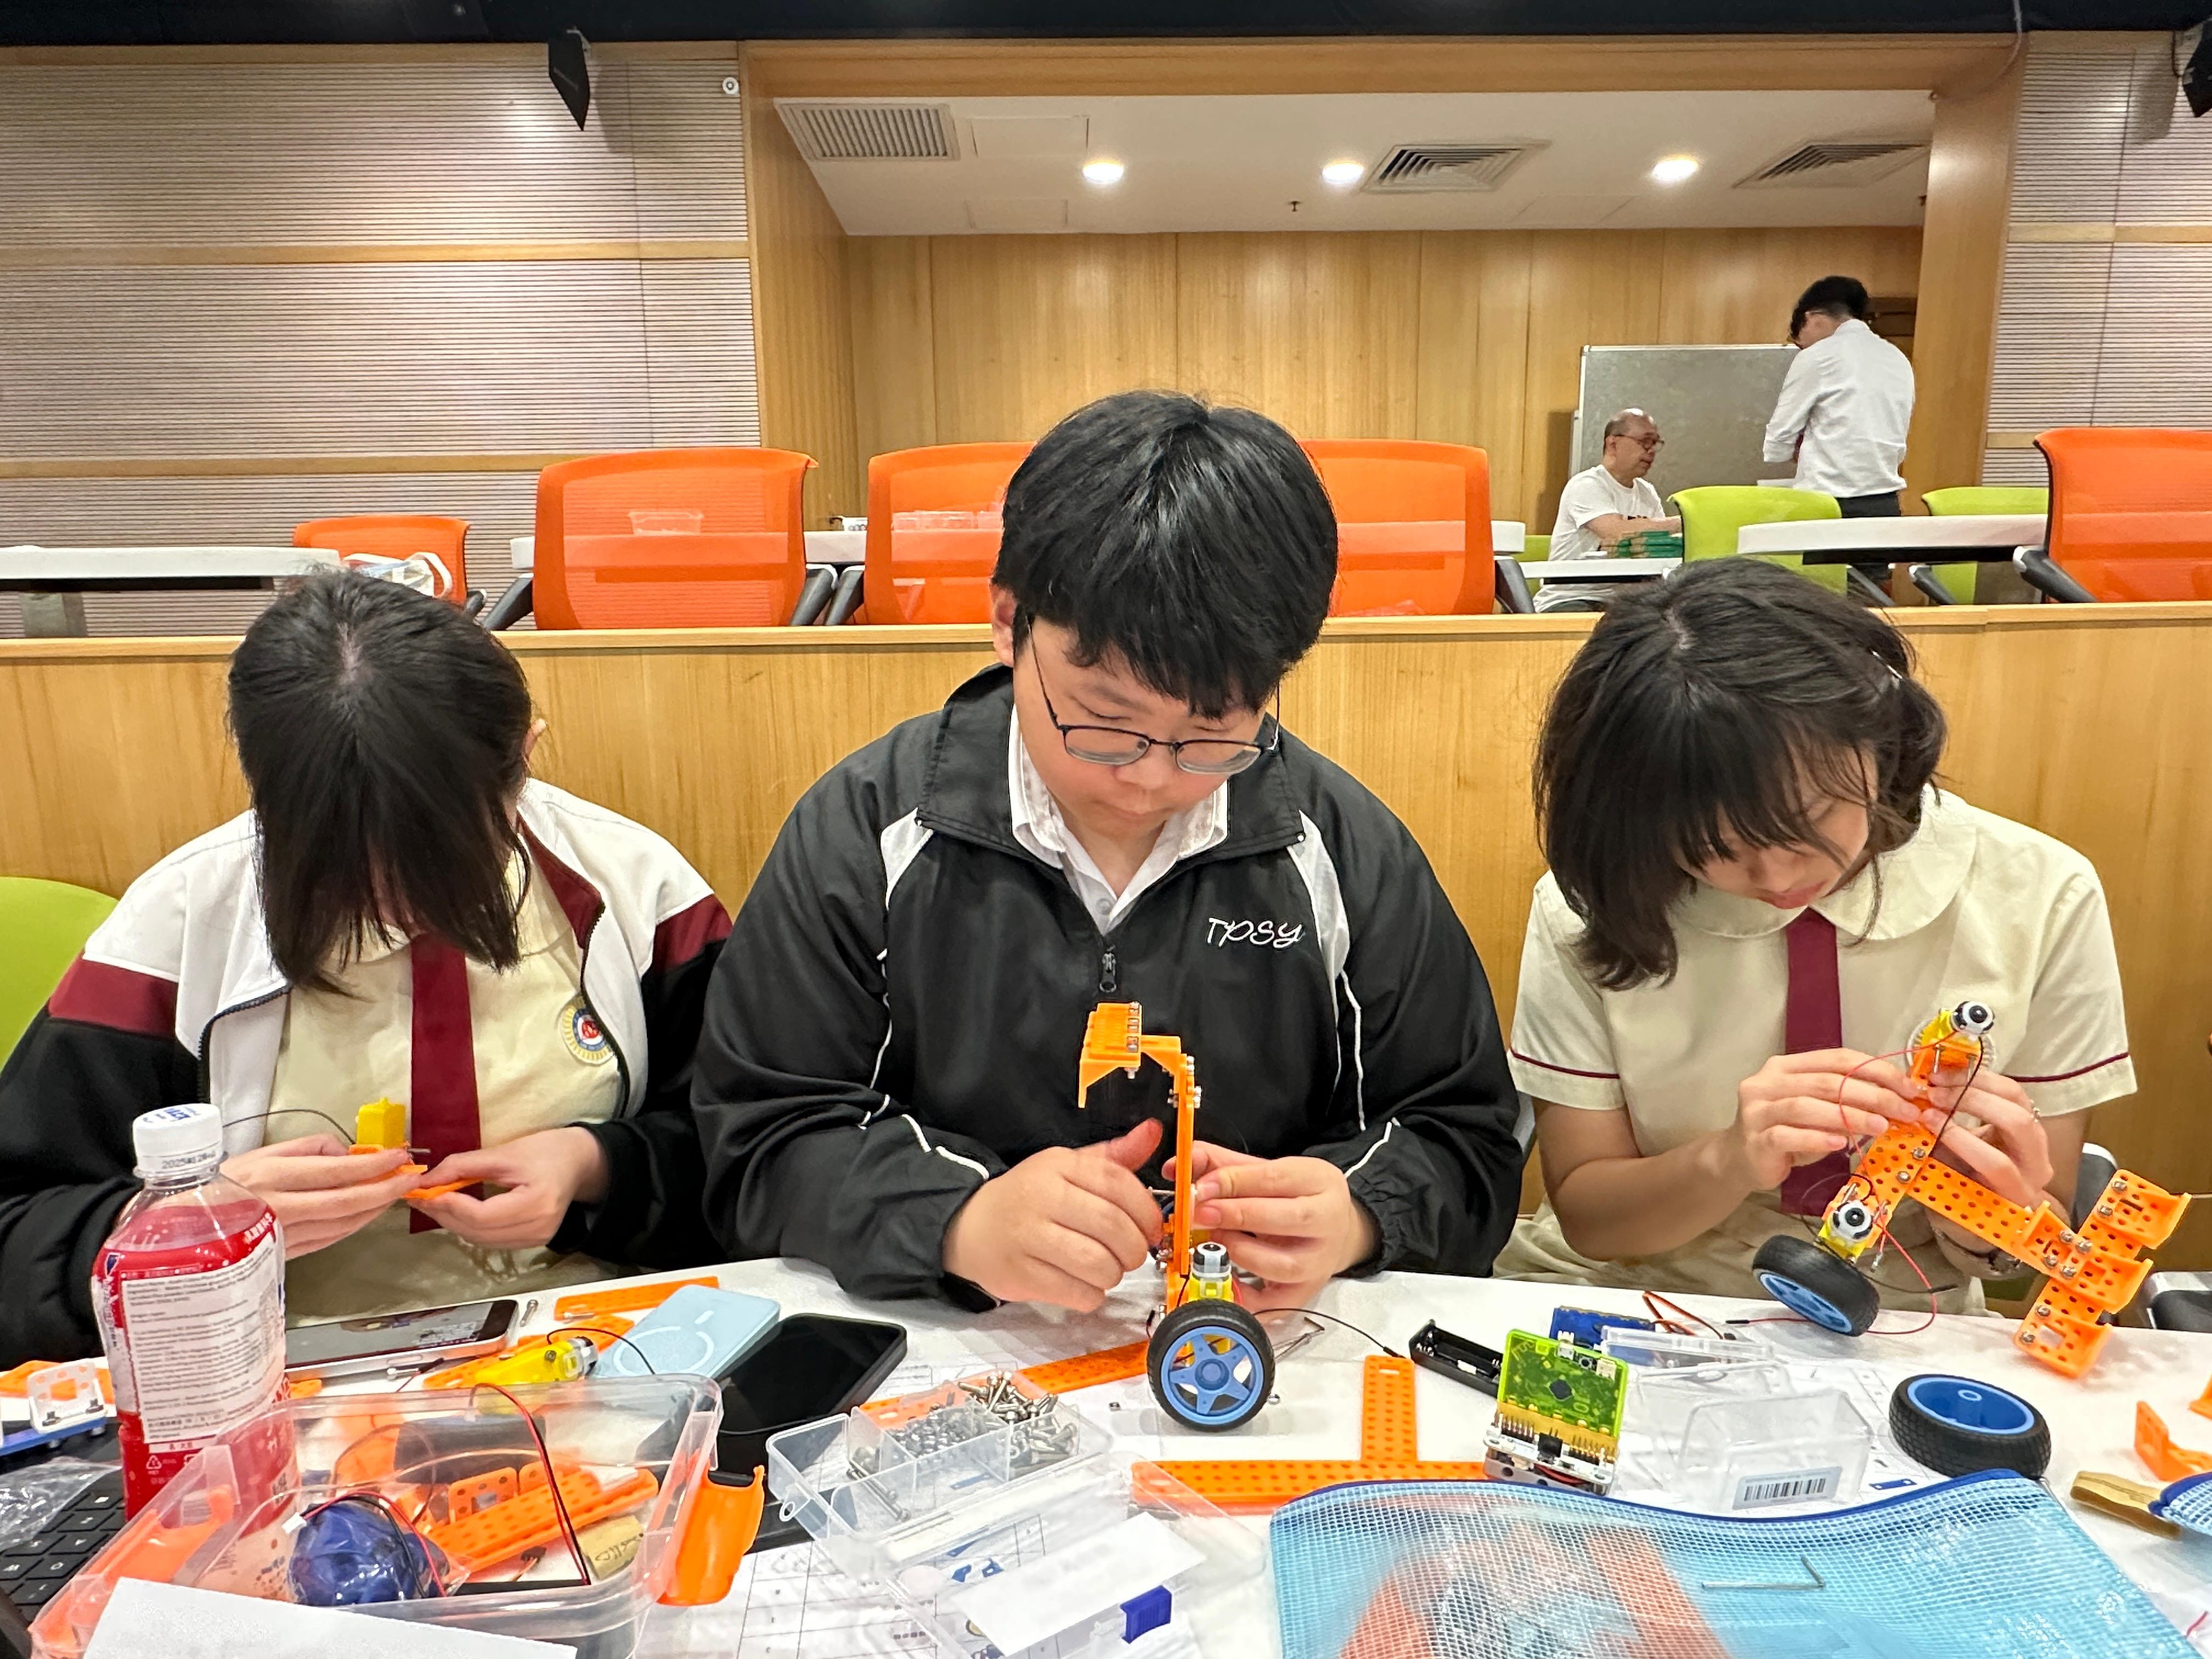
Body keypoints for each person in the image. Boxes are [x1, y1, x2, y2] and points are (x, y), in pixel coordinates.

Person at [692, 390, 1523, 1317]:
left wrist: (1360, 1213)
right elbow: (757, 1139)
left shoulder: (1337, 847)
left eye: (1212, 732)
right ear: (1007, 621)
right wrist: (956, 1219)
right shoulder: (868, 831)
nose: (1150, 777)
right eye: (1104, 722)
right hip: (959, 1345)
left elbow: (1469, 1140)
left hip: (1251, 1340)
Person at [0, 574, 729, 1365]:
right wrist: (188, 1225)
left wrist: (594, 1168)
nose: (398, 902)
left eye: (441, 857)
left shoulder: (637, 890)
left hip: (601, 1352)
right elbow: (18, 1231)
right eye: (339, 862)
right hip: (270, 1379)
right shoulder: (179, 926)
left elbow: (746, 1151)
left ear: (525, 756)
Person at [1497, 558, 2131, 1308]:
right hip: (1636, 1293)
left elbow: (2028, 1248)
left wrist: (1983, 1217)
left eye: (1809, 822)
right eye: (1712, 847)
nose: (1775, 875)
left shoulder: (2042, 893)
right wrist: (1728, 1159)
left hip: (1902, 1314)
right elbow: (1591, 1220)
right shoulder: (1589, 906)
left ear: (1880, 742)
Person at [1764, 274, 1917, 586]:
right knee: (1870, 596)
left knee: (1816, 597)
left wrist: (1790, 452)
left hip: (1828, 502)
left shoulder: (1819, 356)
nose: (1802, 346)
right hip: (1883, 502)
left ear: (1813, 318)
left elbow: (1780, 437)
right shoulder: (1897, 357)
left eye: (1799, 338)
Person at [1537, 408, 1682, 613]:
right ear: (1613, 443)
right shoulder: (1587, 485)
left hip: (1623, 602)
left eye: (1655, 443)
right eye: (1645, 442)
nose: (1651, 451)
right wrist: (1684, 521)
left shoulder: (1647, 493)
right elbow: (1616, 532)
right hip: (1573, 598)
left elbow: (1657, 548)